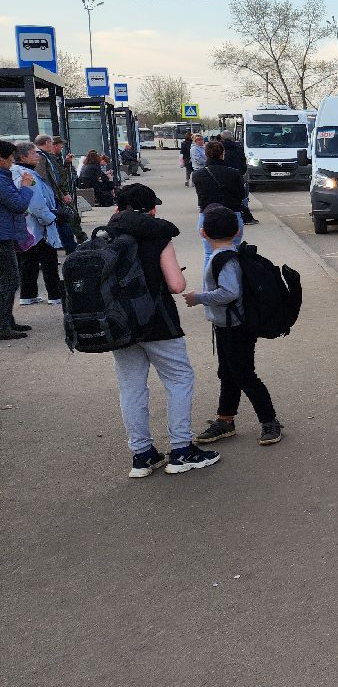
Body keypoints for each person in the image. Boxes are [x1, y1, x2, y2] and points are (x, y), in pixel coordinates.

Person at [104, 183, 219, 477]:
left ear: (118, 209)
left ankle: (142, 455)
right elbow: (176, 285)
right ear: (152, 210)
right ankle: (181, 450)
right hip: (159, 323)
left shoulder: (106, 237)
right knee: (179, 379)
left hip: (122, 326)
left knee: (131, 387)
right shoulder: (158, 237)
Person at [184, 205, 284, 447]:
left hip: (235, 327)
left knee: (245, 375)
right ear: (238, 230)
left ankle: (270, 421)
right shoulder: (231, 254)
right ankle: (225, 419)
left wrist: (198, 298)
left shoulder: (222, 259)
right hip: (227, 325)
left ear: (202, 232)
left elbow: (229, 292)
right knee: (228, 373)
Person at [11, 141, 64, 307]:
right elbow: (36, 203)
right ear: (23, 157)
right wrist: (50, 218)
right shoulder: (28, 175)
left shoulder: (15, 172)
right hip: (39, 225)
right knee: (49, 261)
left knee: (29, 261)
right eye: (34, 153)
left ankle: (28, 295)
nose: (38, 157)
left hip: (25, 225)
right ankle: (55, 295)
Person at [0, 140, 37, 340]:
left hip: (5, 233)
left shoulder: (4, 177)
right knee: (10, 280)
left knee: (7, 280)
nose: (12, 162)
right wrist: (25, 186)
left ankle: (7, 320)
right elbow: (18, 204)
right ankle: (3, 325)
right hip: (2, 236)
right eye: (10, 158)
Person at [193, 141, 247, 267]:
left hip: (207, 216)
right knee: (234, 251)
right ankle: (232, 277)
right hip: (232, 215)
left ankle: (209, 279)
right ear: (223, 154)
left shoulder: (197, 175)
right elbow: (242, 195)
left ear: (206, 154)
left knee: (208, 253)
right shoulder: (234, 173)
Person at [220, 131, 256, 224]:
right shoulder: (238, 147)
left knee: (225, 194)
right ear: (232, 137)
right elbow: (243, 161)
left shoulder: (219, 147)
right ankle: (244, 215)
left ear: (222, 138)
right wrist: (241, 171)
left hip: (223, 174)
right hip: (237, 174)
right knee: (241, 195)